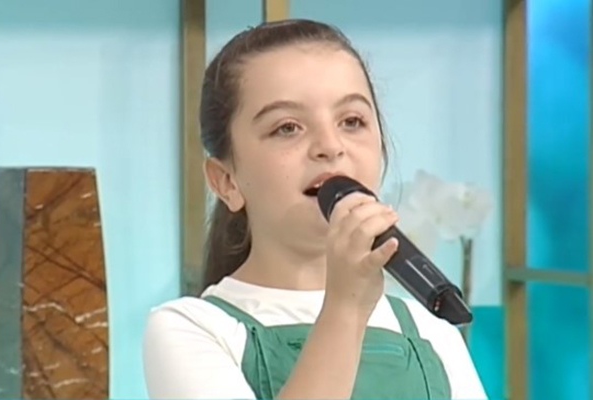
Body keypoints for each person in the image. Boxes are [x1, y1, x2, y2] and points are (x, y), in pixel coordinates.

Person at [143, 18, 487, 399]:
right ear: (226, 181)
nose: (330, 146)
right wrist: (345, 309)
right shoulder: (192, 329)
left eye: (352, 121)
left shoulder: (432, 332)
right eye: (288, 127)